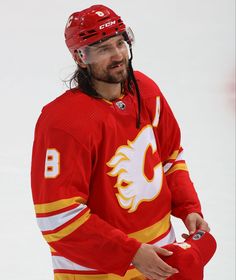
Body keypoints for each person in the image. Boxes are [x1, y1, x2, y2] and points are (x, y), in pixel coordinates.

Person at [31, 4, 211, 280]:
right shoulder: (63, 122)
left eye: (120, 43)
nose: (117, 55)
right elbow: (59, 218)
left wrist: (189, 208)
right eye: (103, 48)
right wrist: (130, 253)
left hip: (162, 260)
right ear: (81, 57)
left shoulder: (146, 91)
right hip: (98, 271)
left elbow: (169, 156)